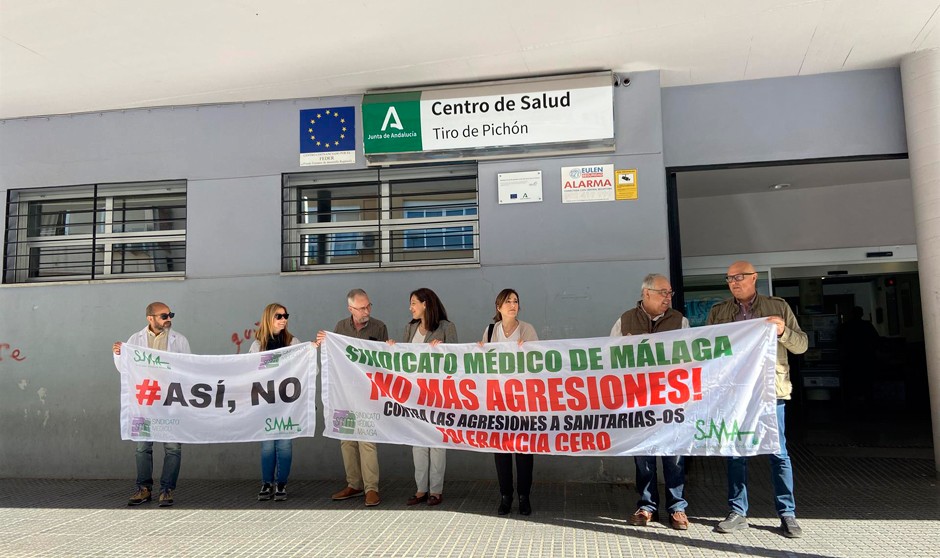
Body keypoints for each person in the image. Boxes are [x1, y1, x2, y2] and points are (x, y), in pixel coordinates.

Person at [707, 261, 808, 538]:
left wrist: (783, 332)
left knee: (778, 453)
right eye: (729, 278)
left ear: (754, 278)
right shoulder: (718, 312)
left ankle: (787, 514)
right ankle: (737, 512)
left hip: (770, 391)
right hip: (734, 392)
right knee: (735, 451)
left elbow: (801, 345)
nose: (734, 282)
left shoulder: (778, 307)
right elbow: (708, 351)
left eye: (739, 277)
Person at [610, 274, 691, 530]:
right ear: (646, 293)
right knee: (643, 456)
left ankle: (677, 508)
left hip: (670, 400)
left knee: (673, 456)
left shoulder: (680, 321)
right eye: (663, 292)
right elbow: (608, 358)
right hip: (639, 401)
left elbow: (690, 358)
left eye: (670, 293)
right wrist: (624, 348)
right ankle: (647, 506)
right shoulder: (625, 320)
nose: (668, 297)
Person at [113, 301, 191, 507]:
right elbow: (125, 368)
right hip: (146, 399)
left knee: (173, 447)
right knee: (142, 447)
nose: (169, 319)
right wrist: (119, 354)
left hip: (170, 399)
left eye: (170, 315)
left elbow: (188, 368)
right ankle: (144, 489)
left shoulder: (179, 340)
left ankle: (167, 490)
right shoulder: (135, 340)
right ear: (150, 318)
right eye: (164, 316)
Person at [318, 288, 388, 507]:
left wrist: (389, 348)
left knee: (367, 440)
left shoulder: (379, 327)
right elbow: (333, 356)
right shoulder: (340, 328)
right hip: (344, 392)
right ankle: (354, 484)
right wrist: (324, 342)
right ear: (351, 309)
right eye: (362, 308)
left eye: (368, 306)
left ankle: (371, 488)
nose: (366, 311)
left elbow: (384, 361)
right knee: (346, 440)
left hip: (367, 393)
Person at [393, 288, 457, 507]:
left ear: (425, 304)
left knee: (437, 442)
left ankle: (436, 491)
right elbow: (402, 360)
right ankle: (421, 489)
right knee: (418, 443)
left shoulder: (446, 327)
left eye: (413, 303)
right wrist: (392, 349)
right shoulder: (410, 328)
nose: (410, 307)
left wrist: (443, 351)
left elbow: (456, 361)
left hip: (438, 395)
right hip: (414, 396)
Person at [481, 288, 539, 516]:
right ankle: (505, 495)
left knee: (524, 450)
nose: (513, 305)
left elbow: (539, 362)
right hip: (498, 400)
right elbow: (482, 364)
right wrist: (478, 351)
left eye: (515, 301)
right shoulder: (490, 331)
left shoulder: (527, 329)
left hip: (522, 401)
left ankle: (524, 496)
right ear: (499, 307)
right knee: (501, 450)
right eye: (508, 301)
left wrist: (529, 351)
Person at [248, 303, 301, 502]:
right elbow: (249, 371)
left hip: (286, 402)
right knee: (267, 446)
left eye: (286, 315)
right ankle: (266, 482)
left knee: (284, 445)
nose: (283, 319)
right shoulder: (257, 345)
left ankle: (281, 483)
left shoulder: (292, 342)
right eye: (279, 316)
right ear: (269, 318)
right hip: (265, 401)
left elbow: (305, 366)